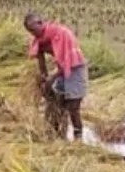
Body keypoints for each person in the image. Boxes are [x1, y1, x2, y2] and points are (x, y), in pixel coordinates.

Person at [24, 11, 87, 141]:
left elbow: (67, 60)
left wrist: (51, 79)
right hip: (62, 69)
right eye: (30, 31)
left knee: (73, 106)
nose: (33, 33)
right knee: (58, 101)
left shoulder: (60, 33)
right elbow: (40, 59)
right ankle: (58, 134)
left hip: (75, 67)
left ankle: (78, 139)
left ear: (40, 23)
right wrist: (43, 78)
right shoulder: (39, 41)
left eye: (34, 28)